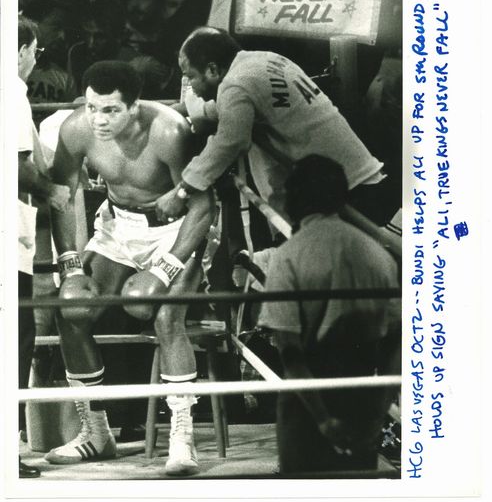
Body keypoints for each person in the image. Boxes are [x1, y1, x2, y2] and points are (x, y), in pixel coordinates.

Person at [47, 60, 215, 476]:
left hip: (177, 232)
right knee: (72, 309)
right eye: (92, 108)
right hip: (119, 228)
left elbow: (203, 208)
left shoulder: (169, 131)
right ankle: (96, 433)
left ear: (135, 105)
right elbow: (61, 196)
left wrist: (166, 269)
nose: (99, 120)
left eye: (111, 110)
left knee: (162, 314)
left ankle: (182, 436)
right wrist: (70, 263)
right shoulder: (76, 129)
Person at [156, 27, 389, 226]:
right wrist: (177, 111)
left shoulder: (236, 83)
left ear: (213, 69)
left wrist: (182, 191)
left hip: (350, 195)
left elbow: (231, 142)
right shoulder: (263, 60)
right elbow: (230, 110)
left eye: (192, 77)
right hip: (361, 180)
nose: (191, 87)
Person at [257, 154, 401, 474]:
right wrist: (378, 410)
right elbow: (397, 343)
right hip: (362, 393)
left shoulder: (288, 256)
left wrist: (322, 418)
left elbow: (289, 350)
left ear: (295, 198)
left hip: (308, 401)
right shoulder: (379, 256)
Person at [17, 16, 71, 477]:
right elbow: (18, 166)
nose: (36, 61)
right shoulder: (12, 90)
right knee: (16, 339)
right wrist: (53, 191)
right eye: (34, 51)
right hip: (8, 235)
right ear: (21, 50)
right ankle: (7, 450)